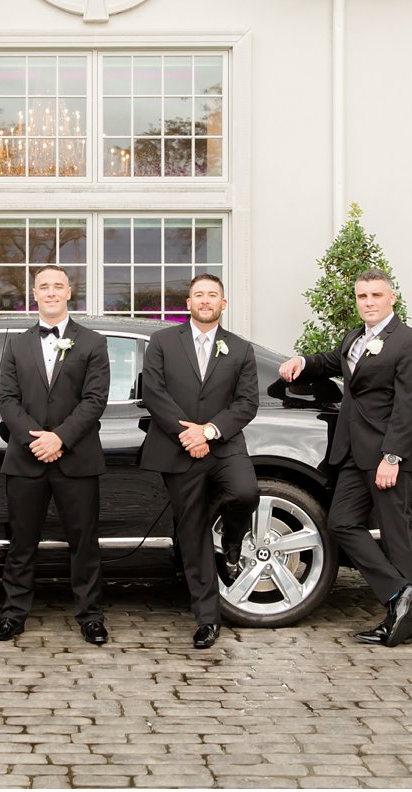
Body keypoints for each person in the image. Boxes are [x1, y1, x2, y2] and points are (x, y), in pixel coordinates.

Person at [279, 268, 412, 647]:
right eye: (362, 296)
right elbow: (334, 362)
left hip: (387, 455)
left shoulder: (411, 344)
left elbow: (411, 406)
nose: (369, 303)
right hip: (352, 452)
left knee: (397, 535)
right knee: (342, 523)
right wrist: (303, 360)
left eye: (376, 296)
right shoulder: (355, 338)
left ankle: (403, 623)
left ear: (391, 298)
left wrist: (392, 457)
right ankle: (400, 592)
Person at [0, 265, 111, 646]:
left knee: (84, 543)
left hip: (77, 458)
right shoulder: (17, 344)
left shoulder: (92, 342)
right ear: (35, 294)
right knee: (22, 543)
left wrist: (60, 438)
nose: (52, 292)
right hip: (26, 460)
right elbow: (6, 399)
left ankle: (91, 617)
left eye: (58, 285)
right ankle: (13, 615)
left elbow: (95, 400)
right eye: (45, 286)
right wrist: (34, 439)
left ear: (69, 292)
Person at [139, 274, 260, 649]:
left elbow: (246, 403)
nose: (205, 300)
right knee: (191, 534)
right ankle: (207, 619)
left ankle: (233, 538)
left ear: (224, 304)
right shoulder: (161, 342)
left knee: (245, 494)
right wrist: (187, 435)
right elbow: (154, 393)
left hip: (223, 446)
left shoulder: (240, 348)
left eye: (212, 295)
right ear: (187, 304)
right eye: (198, 295)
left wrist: (208, 432)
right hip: (178, 448)